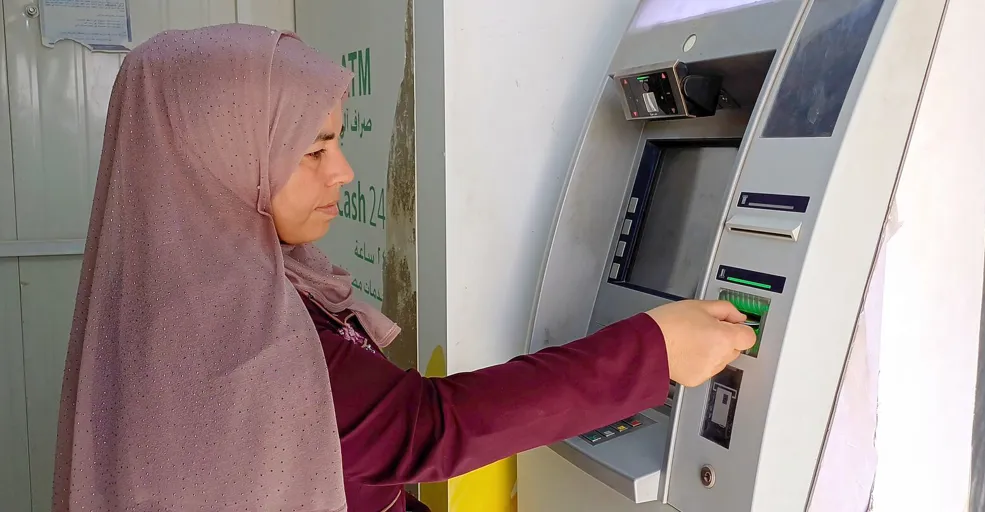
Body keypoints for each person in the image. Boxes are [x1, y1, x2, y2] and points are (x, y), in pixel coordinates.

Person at [52, 24, 755, 512]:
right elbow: (428, 429)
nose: (345, 171)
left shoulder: (186, 289)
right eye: (314, 150)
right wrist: (652, 348)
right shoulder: (237, 343)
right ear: (225, 160)